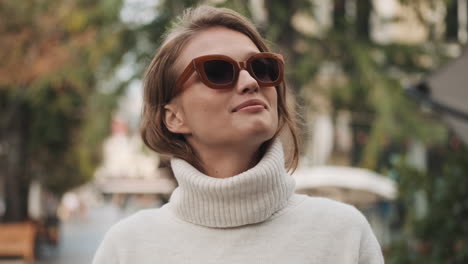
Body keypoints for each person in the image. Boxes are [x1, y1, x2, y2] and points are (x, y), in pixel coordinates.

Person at [93, 5, 384, 264]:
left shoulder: (343, 234)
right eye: (217, 71)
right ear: (174, 117)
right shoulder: (128, 248)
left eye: (262, 67)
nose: (249, 82)